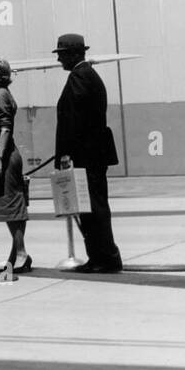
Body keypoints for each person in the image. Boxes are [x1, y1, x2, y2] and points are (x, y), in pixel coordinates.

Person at [53, 33, 122, 273]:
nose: (59, 60)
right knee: (93, 206)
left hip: (86, 154)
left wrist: (64, 154)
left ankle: (105, 257)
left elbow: (73, 120)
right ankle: (100, 256)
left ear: (73, 54)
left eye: (62, 55)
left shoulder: (80, 76)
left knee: (93, 207)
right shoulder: (87, 75)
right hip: (93, 153)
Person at [0, 53, 30, 273]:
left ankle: (20, 252)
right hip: (3, 151)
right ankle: (17, 253)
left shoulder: (0, 94)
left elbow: (5, 128)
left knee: (11, 203)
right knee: (9, 202)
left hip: (5, 152)